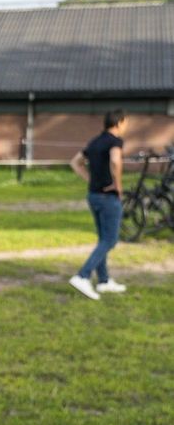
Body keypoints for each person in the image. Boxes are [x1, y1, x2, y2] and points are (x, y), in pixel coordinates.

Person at [68, 110, 129, 300]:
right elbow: (115, 161)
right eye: (126, 122)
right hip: (108, 197)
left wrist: (91, 180)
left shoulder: (94, 142)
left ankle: (104, 281)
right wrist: (117, 186)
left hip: (93, 196)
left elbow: (75, 162)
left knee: (103, 238)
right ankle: (83, 275)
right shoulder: (115, 141)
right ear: (119, 123)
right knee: (110, 240)